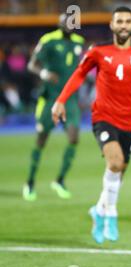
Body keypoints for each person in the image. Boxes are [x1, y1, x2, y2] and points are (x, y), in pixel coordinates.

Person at [51, 7, 131, 244]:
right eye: (120, 21)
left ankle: (99, 209)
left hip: (129, 123)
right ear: (112, 25)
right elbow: (78, 75)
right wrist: (61, 101)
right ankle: (110, 216)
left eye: (128, 21)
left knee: (118, 172)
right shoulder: (98, 51)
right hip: (104, 117)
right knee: (114, 163)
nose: (124, 25)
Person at [23, 14, 85, 201]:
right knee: (42, 140)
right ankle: (30, 182)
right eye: (66, 22)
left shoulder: (79, 42)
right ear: (59, 24)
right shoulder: (48, 40)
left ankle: (59, 180)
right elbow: (32, 64)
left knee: (73, 138)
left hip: (70, 99)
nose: (70, 25)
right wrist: (44, 73)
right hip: (50, 98)